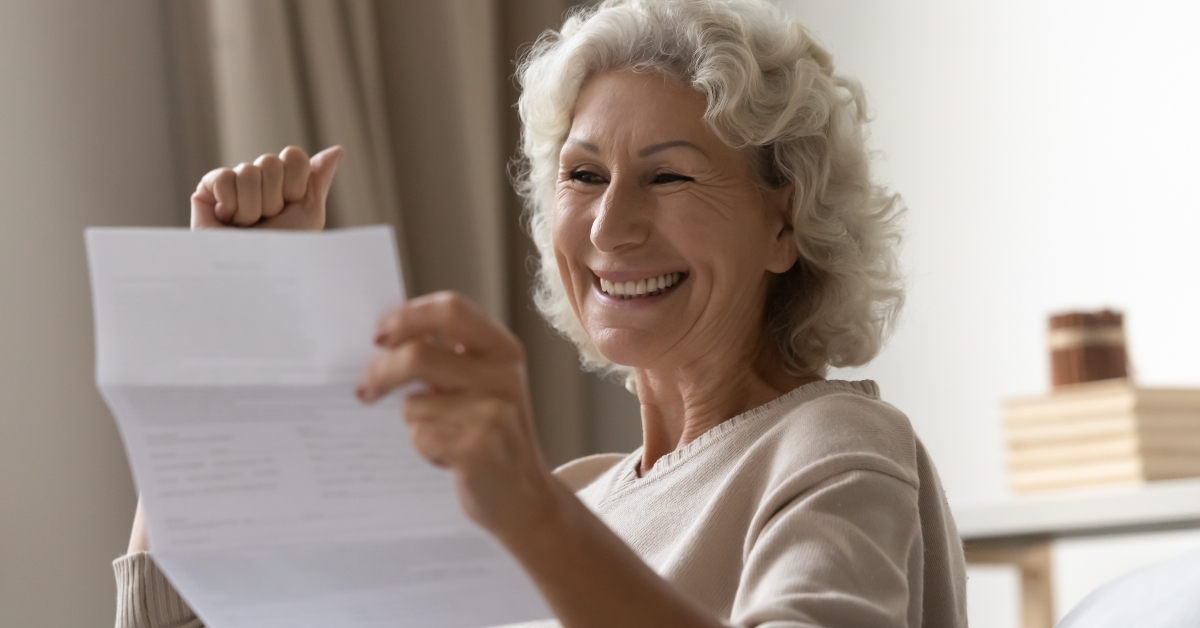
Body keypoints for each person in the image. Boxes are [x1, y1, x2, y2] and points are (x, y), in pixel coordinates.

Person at [114, 1, 967, 626]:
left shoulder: (834, 445)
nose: (609, 226)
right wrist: (222, 309)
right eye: (584, 175)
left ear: (786, 222)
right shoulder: (581, 495)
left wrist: (527, 509)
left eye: (667, 177)